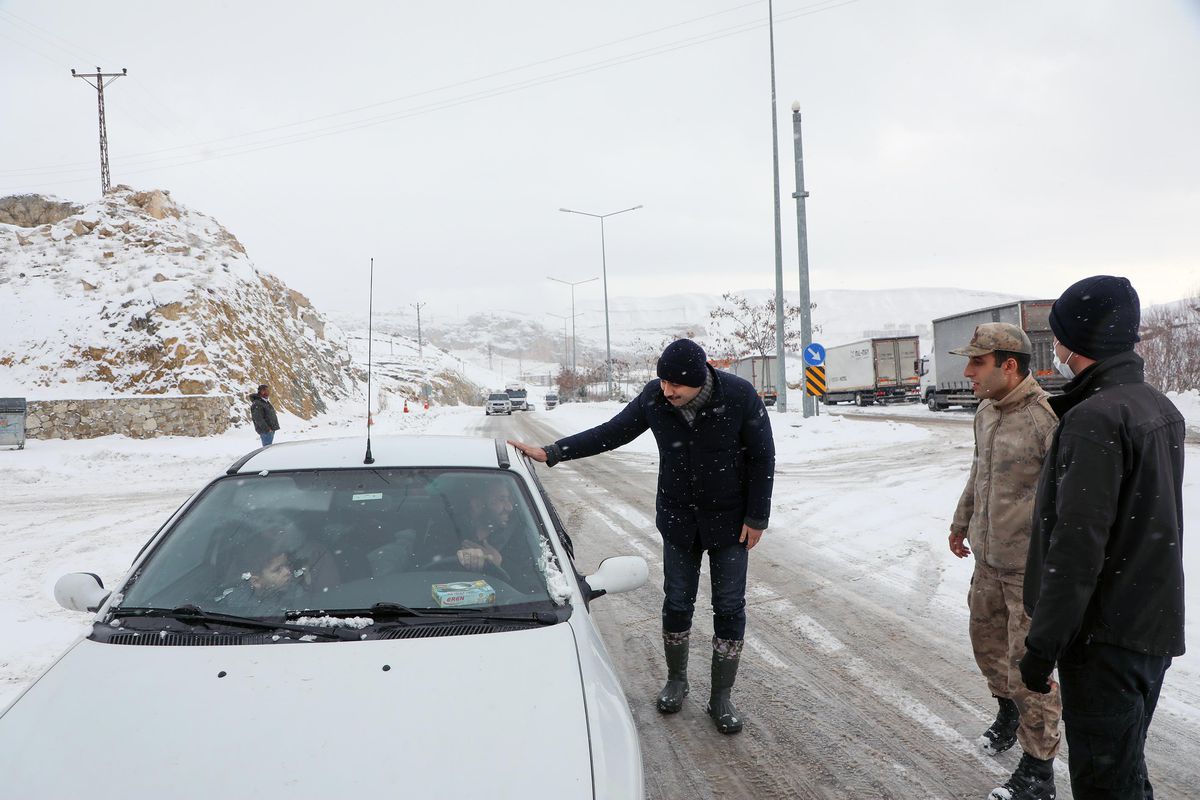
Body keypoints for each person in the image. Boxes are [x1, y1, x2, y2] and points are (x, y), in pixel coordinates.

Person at [509, 338, 775, 734]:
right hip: (679, 519)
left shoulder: (738, 396)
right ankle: (676, 680)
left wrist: (757, 517)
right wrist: (554, 452)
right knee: (677, 601)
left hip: (730, 522)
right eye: (663, 382)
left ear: (698, 379)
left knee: (730, 607)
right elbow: (613, 431)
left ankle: (721, 696)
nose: (667, 391)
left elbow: (762, 456)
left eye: (675, 384)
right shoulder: (655, 398)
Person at [1020, 276, 1186, 799]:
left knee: (1104, 783)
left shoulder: (1093, 418)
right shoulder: (1157, 406)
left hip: (1104, 640)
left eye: (1059, 335)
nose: (1056, 347)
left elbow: (1076, 549)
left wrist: (1042, 647)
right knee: (1125, 771)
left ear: (1078, 338)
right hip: (1149, 626)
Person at [947, 323, 1062, 800]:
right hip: (988, 563)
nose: (968, 372)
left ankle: (1039, 769)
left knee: (1029, 669)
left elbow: (1066, 499)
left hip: (1027, 573)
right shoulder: (985, 411)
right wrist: (961, 522)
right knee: (986, 646)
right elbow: (979, 472)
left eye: (978, 362)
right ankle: (1008, 712)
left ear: (1008, 365)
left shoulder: (1045, 419)